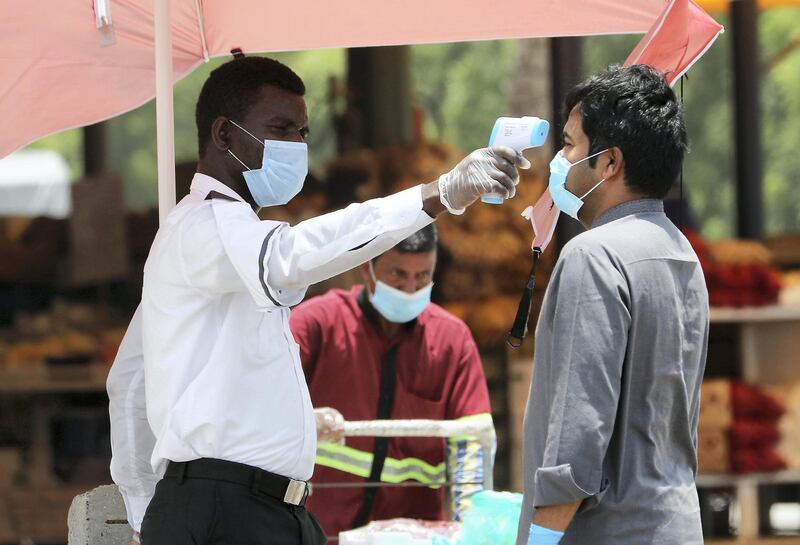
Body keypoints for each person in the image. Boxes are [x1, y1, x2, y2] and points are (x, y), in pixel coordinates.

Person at [108, 54, 524, 545]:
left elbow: (131, 379)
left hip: (264, 509)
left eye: (303, 132)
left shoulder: (218, 233)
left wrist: (144, 509)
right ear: (224, 135)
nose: (296, 147)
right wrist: (439, 193)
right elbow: (292, 254)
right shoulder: (203, 227)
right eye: (280, 128)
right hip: (225, 507)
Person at [515, 65, 709, 545]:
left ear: (609, 163)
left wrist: (540, 541)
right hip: (675, 524)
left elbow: (576, 441)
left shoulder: (592, 254)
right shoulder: (681, 252)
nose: (559, 160)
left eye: (568, 144)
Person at [290, 223, 494, 538]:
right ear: (365, 268)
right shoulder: (315, 324)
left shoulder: (452, 340)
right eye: (397, 275)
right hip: (318, 532)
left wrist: (471, 532)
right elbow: (258, 400)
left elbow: (471, 445)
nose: (410, 289)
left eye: (423, 276)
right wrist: (300, 418)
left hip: (412, 537)